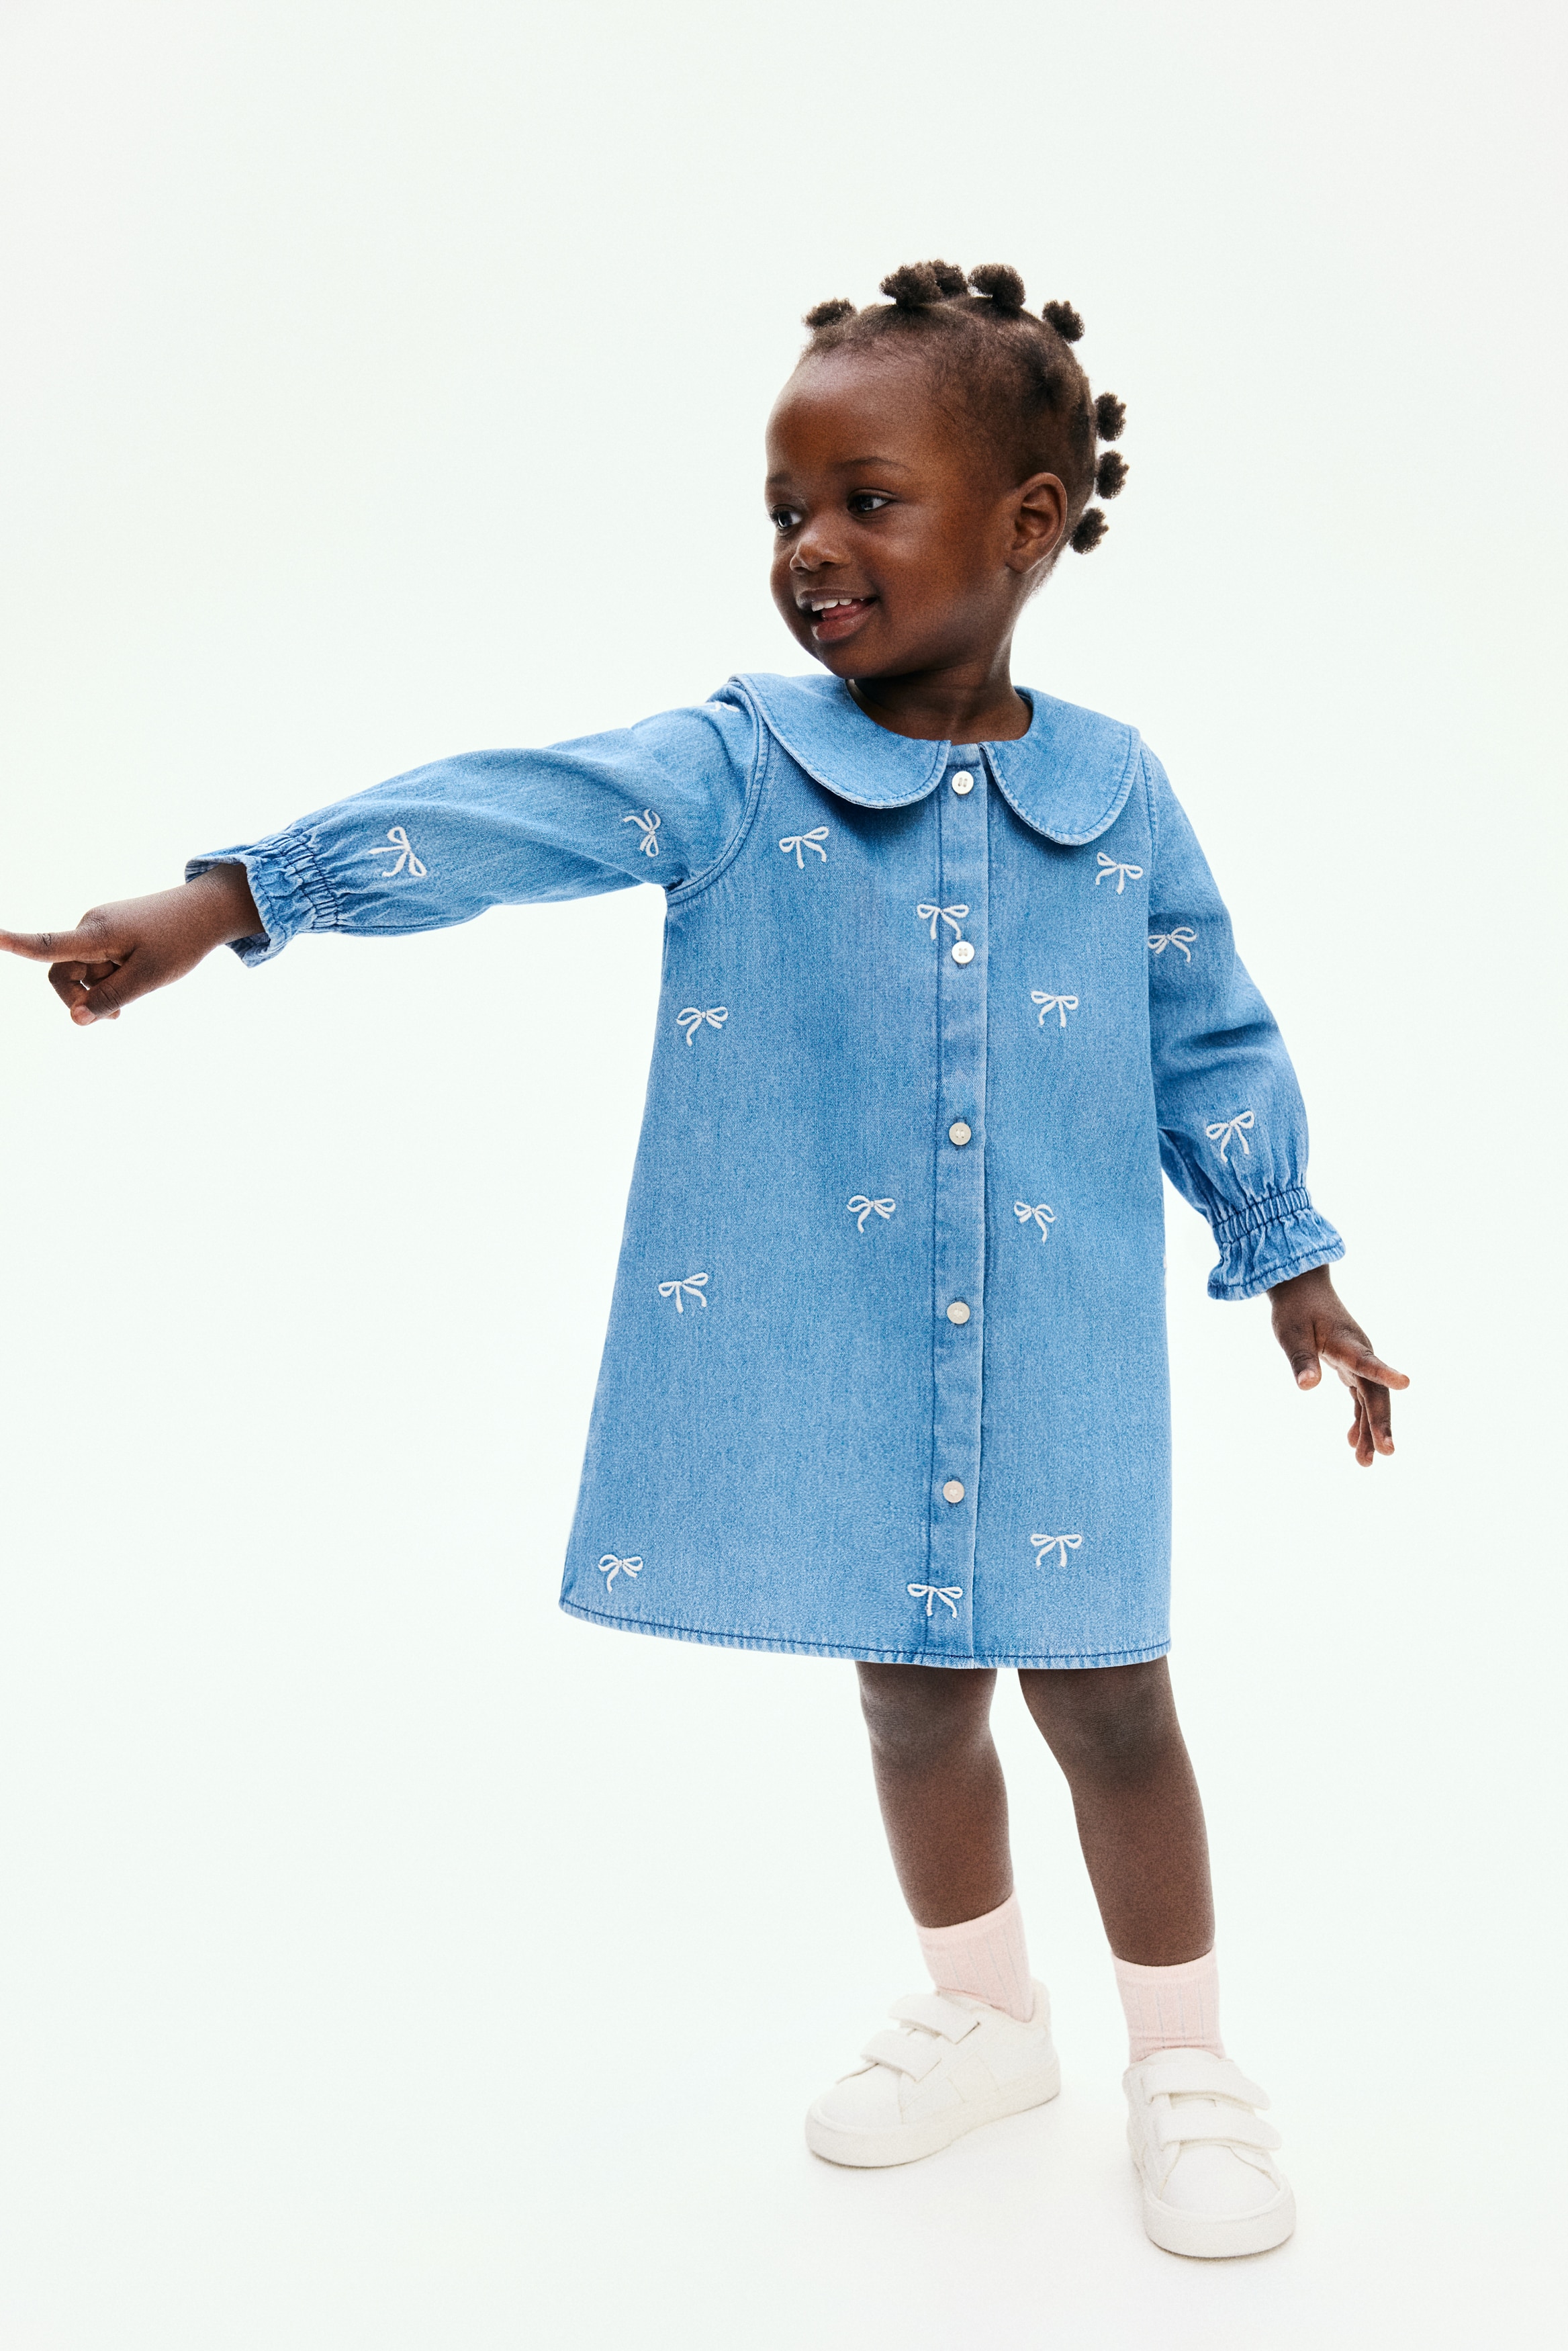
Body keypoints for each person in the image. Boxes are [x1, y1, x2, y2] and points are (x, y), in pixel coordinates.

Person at [1, 258, 1406, 2259]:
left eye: (867, 500)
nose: (810, 548)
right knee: (912, 1700)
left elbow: (1213, 1032)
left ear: (1028, 522)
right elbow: (510, 814)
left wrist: (1291, 1259)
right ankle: (986, 2014)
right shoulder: (740, 761)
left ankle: (1184, 2062)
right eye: (785, 509)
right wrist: (231, 898)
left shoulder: (1119, 794)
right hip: (849, 1347)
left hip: (1068, 1350)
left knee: (1113, 1705)